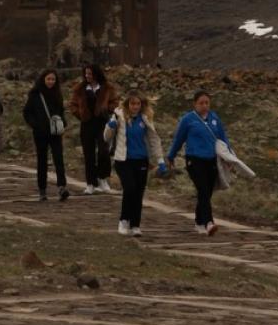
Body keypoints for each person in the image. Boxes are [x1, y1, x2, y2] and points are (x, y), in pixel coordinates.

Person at [167, 91, 232, 236]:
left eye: (207, 103)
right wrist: (171, 156)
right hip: (194, 159)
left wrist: (229, 156)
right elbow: (178, 139)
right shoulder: (188, 119)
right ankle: (209, 222)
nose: (204, 106)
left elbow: (223, 138)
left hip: (211, 160)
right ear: (195, 104)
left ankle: (199, 221)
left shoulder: (214, 118)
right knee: (202, 189)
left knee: (206, 193)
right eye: (201, 103)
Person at [105, 91, 168, 236]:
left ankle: (135, 225)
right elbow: (106, 137)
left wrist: (160, 160)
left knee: (138, 193)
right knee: (130, 188)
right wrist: (110, 126)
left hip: (141, 160)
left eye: (138, 104)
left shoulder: (145, 118)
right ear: (127, 104)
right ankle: (124, 220)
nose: (135, 107)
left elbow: (153, 140)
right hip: (123, 160)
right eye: (132, 103)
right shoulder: (118, 116)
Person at [21, 69, 69, 202]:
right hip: (40, 133)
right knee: (42, 161)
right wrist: (35, 125)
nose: (51, 82)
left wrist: (62, 123)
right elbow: (27, 112)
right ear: (43, 79)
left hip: (55, 132)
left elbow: (61, 111)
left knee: (58, 159)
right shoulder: (35, 94)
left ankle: (62, 187)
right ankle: (42, 189)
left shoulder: (57, 94)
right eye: (48, 79)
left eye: (53, 79)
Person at [68, 64, 117, 194]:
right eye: (86, 73)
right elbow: (72, 105)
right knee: (88, 154)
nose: (87, 76)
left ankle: (103, 178)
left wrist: (107, 109)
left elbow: (115, 102)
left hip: (102, 123)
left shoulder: (107, 88)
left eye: (90, 73)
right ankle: (90, 183)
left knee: (103, 152)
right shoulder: (80, 89)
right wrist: (80, 114)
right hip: (87, 124)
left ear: (96, 74)